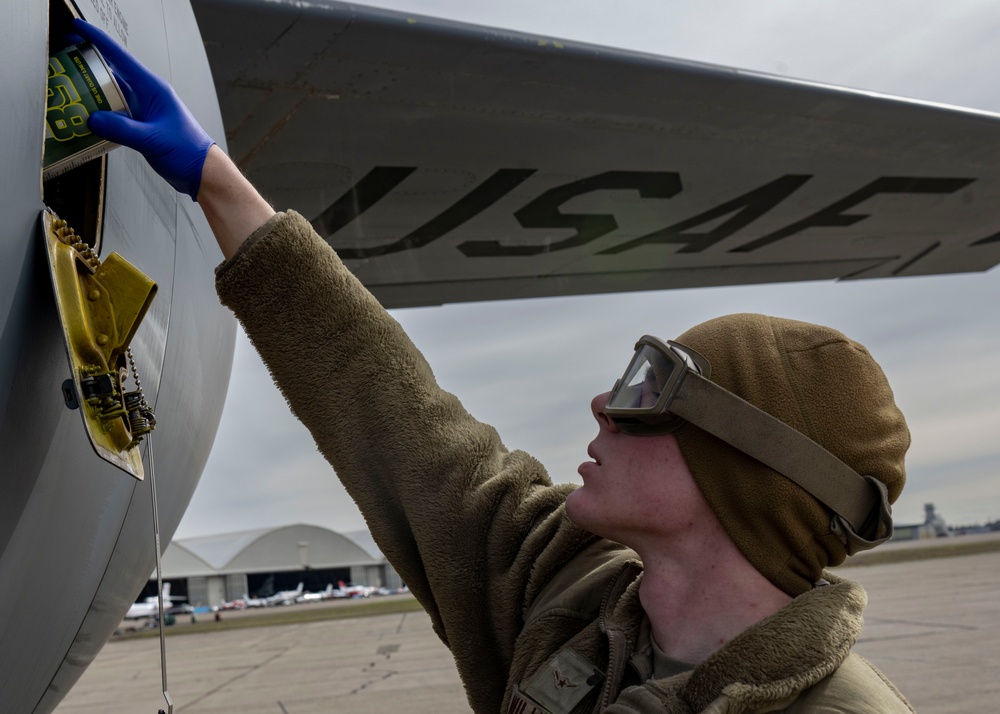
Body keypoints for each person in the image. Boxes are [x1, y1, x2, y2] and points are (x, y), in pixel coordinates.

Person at [72, 19, 915, 713]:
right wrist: (216, 180)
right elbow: (394, 413)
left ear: (744, 469)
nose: (602, 407)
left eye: (648, 393)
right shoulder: (569, 597)